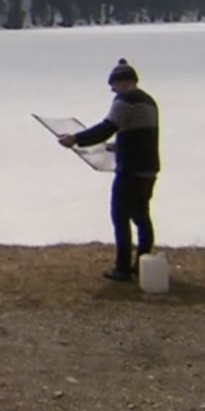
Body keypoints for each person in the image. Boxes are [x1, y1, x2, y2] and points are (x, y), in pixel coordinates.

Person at [57, 58, 160, 282]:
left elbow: (108, 127)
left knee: (120, 216)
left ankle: (122, 268)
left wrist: (76, 138)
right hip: (148, 168)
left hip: (130, 171)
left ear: (123, 83)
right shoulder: (148, 101)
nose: (112, 90)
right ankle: (143, 262)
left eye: (114, 85)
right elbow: (140, 134)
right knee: (141, 215)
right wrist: (118, 146)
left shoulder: (125, 100)